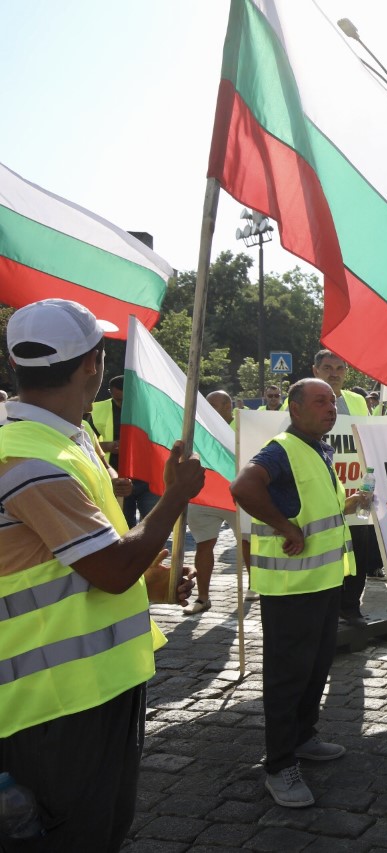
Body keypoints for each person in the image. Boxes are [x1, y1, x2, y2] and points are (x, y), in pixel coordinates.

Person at [0, 298, 203, 848]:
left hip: (97, 686)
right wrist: (174, 499)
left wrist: (151, 581)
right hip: (52, 705)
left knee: (105, 831)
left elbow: (84, 563)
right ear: (93, 363)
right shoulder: (29, 459)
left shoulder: (68, 440)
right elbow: (112, 569)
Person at [230, 378, 366, 807]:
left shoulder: (318, 449)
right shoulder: (282, 448)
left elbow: (313, 509)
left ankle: (304, 738)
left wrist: (349, 504)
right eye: (321, 402)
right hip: (291, 588)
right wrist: (284, 526)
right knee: (288, 677)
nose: (331, 408)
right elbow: (243, 487)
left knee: (315, 668)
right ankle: (279, 765)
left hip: (322, 583)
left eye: (333, 402)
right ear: (294, 407)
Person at [310, 349, 382, 624]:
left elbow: (368, 440)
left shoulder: (357, 402)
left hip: (354, 488)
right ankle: (323, 608)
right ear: (315, 370)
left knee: (359, 551)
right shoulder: (300, 396)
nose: (334, 373)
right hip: (318, 492)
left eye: (340, 368)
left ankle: (350, 605)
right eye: (328, 367)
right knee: (324, 551)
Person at [183, 390, 240, 616]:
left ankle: (255, 585)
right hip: (204, 497)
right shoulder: (196, 428)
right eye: (207, 405)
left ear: (229, 406)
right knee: (203, 545)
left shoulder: (243, 427)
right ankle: (203, 597)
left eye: (215, 405)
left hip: (237, 497)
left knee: (247, 544)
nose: (210, 410)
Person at [90, 374, 160, 526]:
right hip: (117, 480)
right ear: (111, 392)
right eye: (118, 400)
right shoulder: (97, 410)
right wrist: (109, 446)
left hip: (148, 479)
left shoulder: (151, 408)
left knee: (152, 525)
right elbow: (85, 444)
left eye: (126, 400)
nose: (122, 404)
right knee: (123, 526)